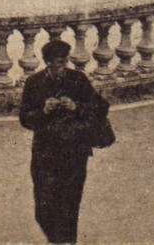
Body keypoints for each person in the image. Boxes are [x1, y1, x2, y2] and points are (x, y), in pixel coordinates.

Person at [19, 39, 109, 244]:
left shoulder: (78, 79)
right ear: (47, 63)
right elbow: (24, 118)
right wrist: (43, 110)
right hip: (45, 151)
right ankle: (54, 237)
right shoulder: (34, 83)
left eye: (64, 62)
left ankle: (66, 241)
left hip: (74, 149)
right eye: (58, 63)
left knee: (70, 198)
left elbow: (101, 107)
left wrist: (76, 107)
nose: (62, 68)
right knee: (44, 201)